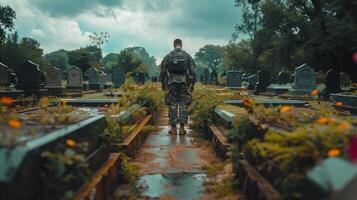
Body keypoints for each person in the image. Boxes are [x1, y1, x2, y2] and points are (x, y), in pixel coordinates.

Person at [160, 39, 196, 135]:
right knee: (184, 105)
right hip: (184, 82)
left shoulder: (169, 56)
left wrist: (163, 84)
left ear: (174, 45)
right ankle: (182, 128)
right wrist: (192, 84)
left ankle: (173, 128)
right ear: (181, 45)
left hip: (172, 82)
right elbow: (193, 71)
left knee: (172, 104)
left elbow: (163, 71)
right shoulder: (187, 56)